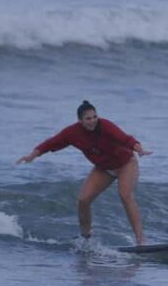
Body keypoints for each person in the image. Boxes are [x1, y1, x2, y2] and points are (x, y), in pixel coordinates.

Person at [17, 100, 152, 245]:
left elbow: (125, 139)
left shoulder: (105, 125)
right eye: (88, 118)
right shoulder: (72, 133)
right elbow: (50, 143)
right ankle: (86, 239)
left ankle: (140, 240)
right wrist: (32, 156)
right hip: (104, 168)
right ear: (80, 121)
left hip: (126, 164)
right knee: (83, 200)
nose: (93, 121)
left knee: (125, 195)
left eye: (94, 117)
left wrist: (139, 148)